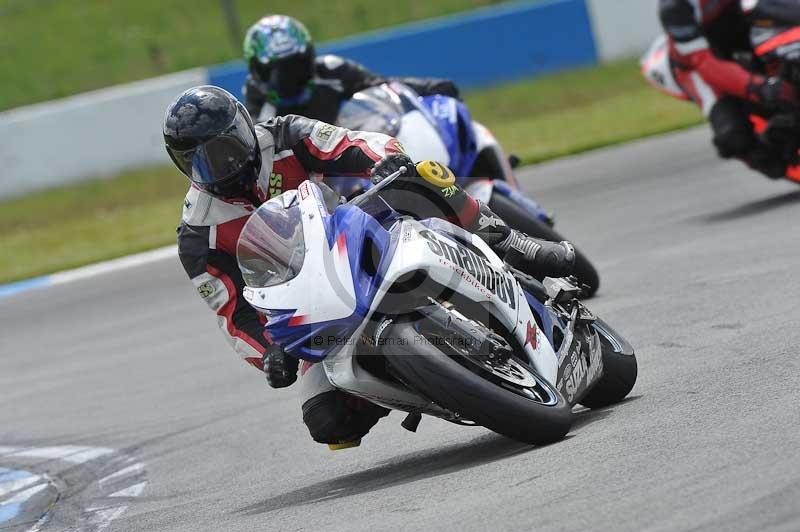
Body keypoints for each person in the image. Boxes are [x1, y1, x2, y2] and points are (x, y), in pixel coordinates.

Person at [164, 85, 575, 446]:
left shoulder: (284, 134)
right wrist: (270, 352)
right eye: (200, 161)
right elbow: (233, 315)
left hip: (353, 236)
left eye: (225, 148)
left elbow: (351, 143)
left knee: (421, 176)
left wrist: (384, 159)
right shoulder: (199, 232)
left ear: (244, 127)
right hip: (308, 301)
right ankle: (426, 382)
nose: (222, 165)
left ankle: (512, 242)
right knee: (327, 422)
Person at [658, 0, 800, 177]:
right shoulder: (675, 8)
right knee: (733, 137)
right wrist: (759, 87)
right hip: (698, 65)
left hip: (743, 28)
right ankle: (771, 148)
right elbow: (702, 62)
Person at [241, 15, 460, 122]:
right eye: (277, 71)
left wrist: (430, 87)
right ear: (257, 71)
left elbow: (383, 85)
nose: (287, 78)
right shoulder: (255, 103)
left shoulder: (331, 70)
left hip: (353, 165)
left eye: (295, 65)